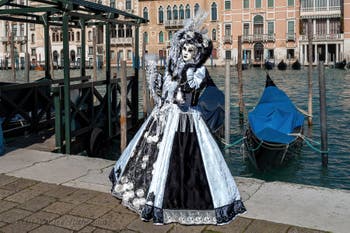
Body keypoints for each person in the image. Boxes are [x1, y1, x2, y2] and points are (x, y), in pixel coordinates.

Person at [109, 12, 246, 225]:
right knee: (159, 158)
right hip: (166, 116)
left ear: (197, 53)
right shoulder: (173, 70)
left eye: (190, 50)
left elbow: (188, 93)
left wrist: (184, 80)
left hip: (187, 120)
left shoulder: (197, 71)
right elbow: (163, 96)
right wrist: (153, 76)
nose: (185, 53)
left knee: (188, 160)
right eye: (183, 49)